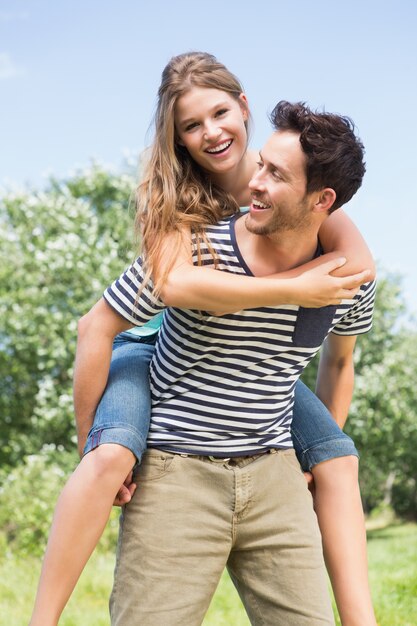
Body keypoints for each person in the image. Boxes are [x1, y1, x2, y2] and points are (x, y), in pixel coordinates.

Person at [29, 53, 376, 626]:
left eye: (220, 113)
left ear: (244, 108)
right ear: (178, 138)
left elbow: (347, 310)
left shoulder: (325, 241)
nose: (211, 132)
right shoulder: (182, 210)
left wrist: (343, 276)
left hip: (262, 408)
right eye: (191, 125)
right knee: (110, 455)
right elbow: (166, 287)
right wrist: (294, 287)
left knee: (338, 460)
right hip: (146, 345)